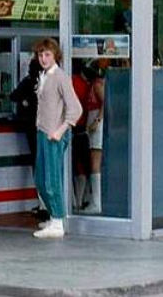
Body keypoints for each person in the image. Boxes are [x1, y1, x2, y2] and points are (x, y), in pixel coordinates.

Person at [33, 38, 82, 239]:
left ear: (55, 56)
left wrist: (61, 130)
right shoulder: (44, 75)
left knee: (52, 178)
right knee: (40, 178)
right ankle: (54, 216)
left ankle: (58, 221)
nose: (43, 58)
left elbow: (76, 108)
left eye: (47, 55)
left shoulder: (60, 76)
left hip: (53, 134)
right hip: (43, 131)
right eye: (40, 55)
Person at [10, 56, 47, 220]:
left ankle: (42, 203)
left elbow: (13, 96)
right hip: (48, 128)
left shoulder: (28, 82)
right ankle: (47, 204)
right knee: (49, 166)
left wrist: (25, 101)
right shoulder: (47, 81)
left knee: (37, 165)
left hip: (32, 128)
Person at [70, 60, 105, 214]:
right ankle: (91, 200)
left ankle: (96, 202)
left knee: (94, 163)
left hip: (95, 125)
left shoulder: (97, 84)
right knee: (89, 163)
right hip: (89, 125)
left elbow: (105, 103)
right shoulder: (92, 84)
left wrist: (98, 120)